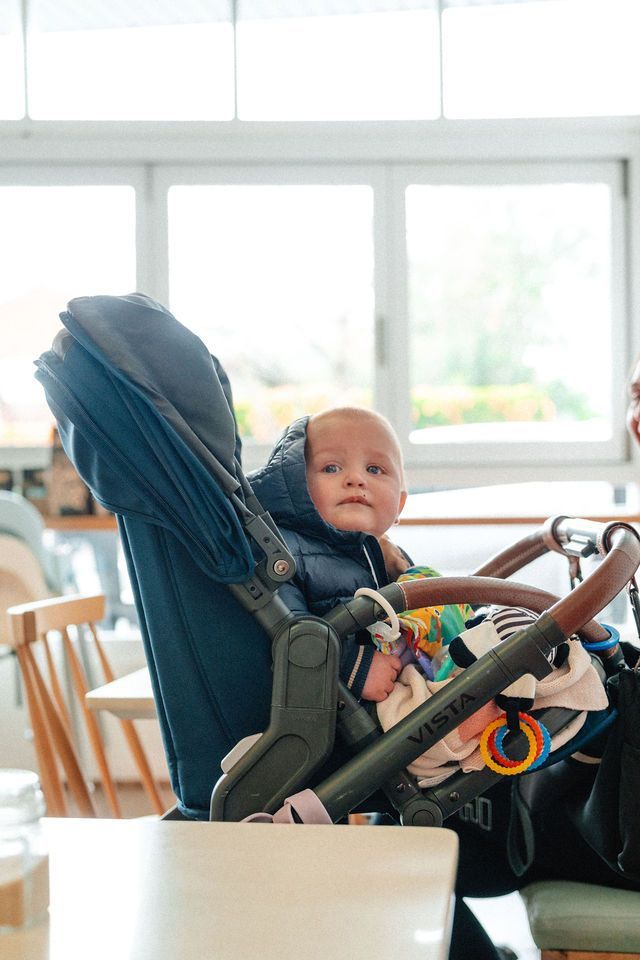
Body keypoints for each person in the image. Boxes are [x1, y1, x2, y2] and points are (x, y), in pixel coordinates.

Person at [249, 405, 471, 702]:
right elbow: (285, 634)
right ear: (296, 485)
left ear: (399, 506)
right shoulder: (283, 551)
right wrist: (354, 667)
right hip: (342, 718)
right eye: (331, 468)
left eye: (374, 469)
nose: (356, 479)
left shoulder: (392, 558)